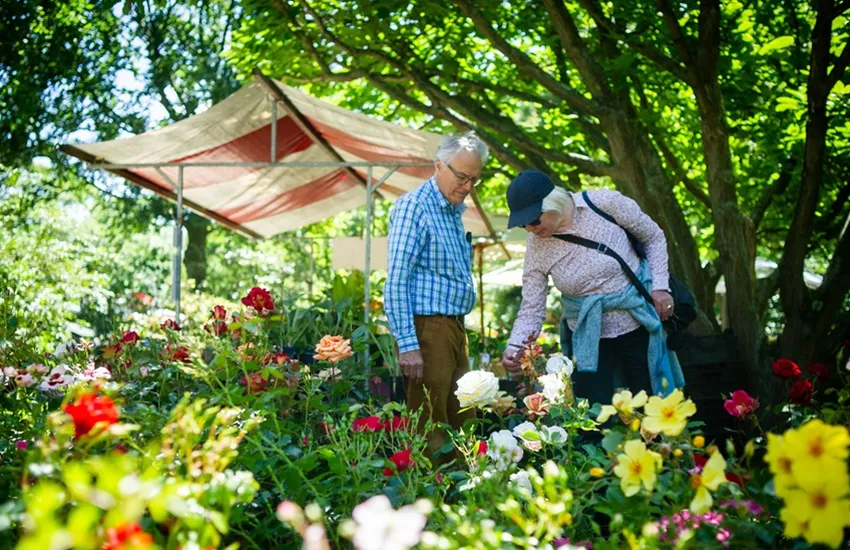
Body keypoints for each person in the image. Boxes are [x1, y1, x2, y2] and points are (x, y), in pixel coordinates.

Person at [501, 170, 685, 406]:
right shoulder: (537, 247)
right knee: (591, 419)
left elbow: (653, 237)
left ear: (553, 201)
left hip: (636, 323)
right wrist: (515, 346)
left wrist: (660, 286)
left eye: (534, 219)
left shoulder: (604, 204)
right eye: (522, 224)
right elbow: (532, 308)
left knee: (652, 408)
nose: (530, 228)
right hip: (586, 336)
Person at [384, 131, 486, 458]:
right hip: (428, 330)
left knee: (462, 420)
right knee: (430, 429)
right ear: (439, 165)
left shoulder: (453, 213)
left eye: (474, 179)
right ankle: (429, 504)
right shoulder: (415, 207)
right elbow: (397, 278)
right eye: (461, 176)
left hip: (454, 328)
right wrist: (408, 343)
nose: (468, 186)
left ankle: (463, 500)